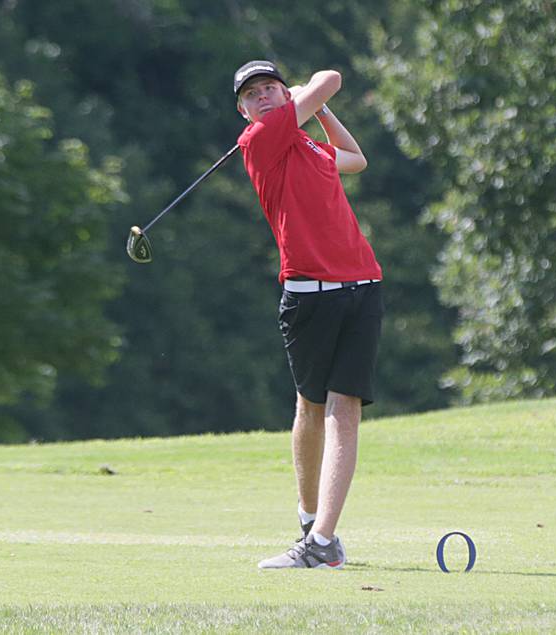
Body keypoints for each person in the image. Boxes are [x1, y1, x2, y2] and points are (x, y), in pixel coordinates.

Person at [234, 60, 384, 569]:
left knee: (346, 410)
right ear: (244, 112)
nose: (265, 97)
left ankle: (322, 541)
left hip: (363, 285)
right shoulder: (260, 142)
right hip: (309, 295)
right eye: (253, 95)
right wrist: (307, 94)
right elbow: (331, 77)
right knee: (310, 408)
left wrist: (320, 111)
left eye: (271, 88)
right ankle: (309, 518)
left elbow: (355, 159)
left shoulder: (307, 145)